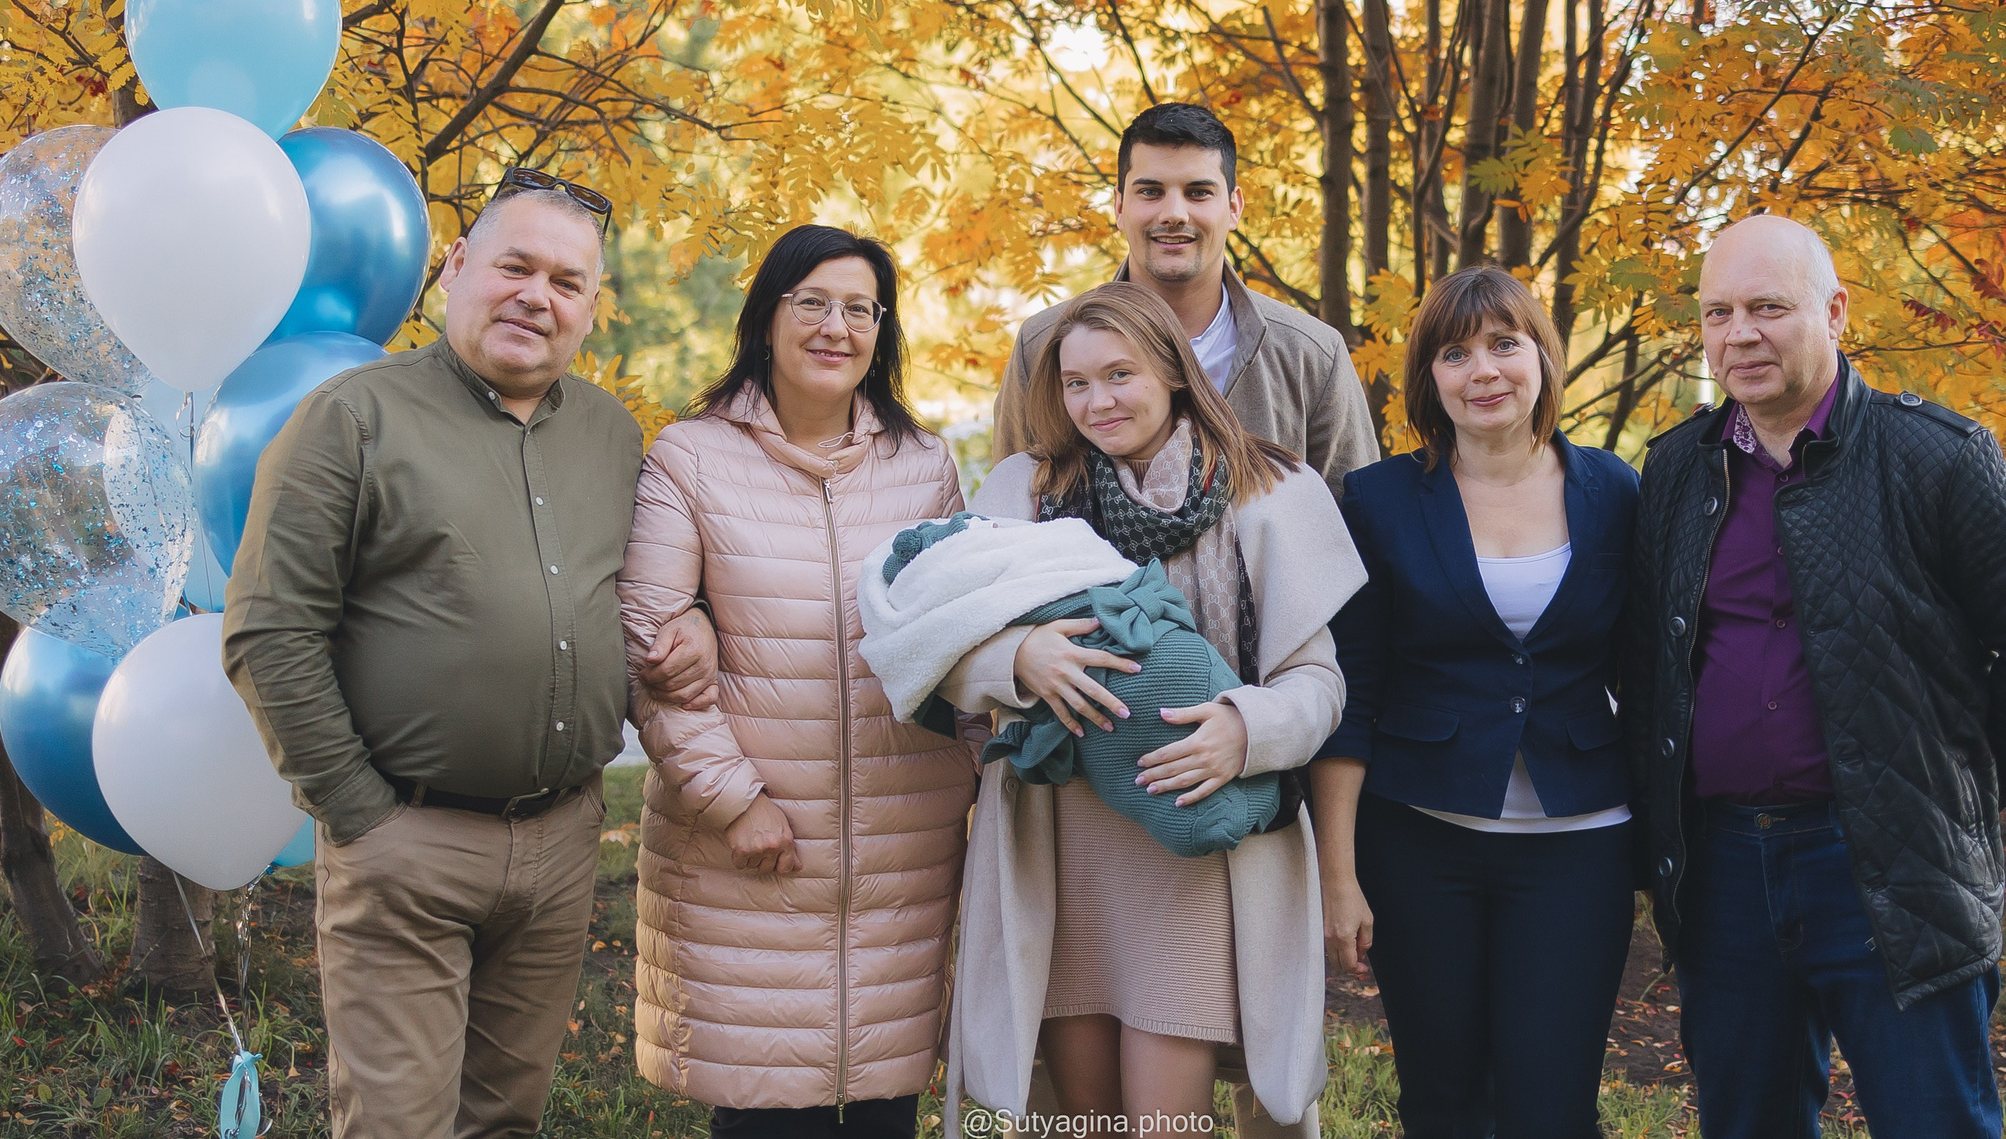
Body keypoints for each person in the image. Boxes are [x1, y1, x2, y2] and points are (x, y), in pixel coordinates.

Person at [224, 169, 707, 1139]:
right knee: (397, 1125)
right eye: (514, 266)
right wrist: (359, 815)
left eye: (567, 282)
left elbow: (650, 588)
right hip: (404, 841)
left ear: (590, 311)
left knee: (504, 1121)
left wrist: (688, 618)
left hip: (564, 843)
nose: (537, 295)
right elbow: (269, 630)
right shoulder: (351, 419)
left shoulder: (613, 436)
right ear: (455, 270)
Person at [1622, 214, 2006, 1139]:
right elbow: (1649, 670)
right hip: (1722, 872)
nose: (1740, 334)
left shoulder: (1938, 457)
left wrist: (1955, 779)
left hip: (1887, 863)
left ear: (1835, 311)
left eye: (1769, 307)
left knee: (1935, 1122)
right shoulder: (1678, 470)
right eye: (1718, 313)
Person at [940, 281, 1364, 1128]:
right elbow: (942, 644)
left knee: (1164, 1117)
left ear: (1173, 369)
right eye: (1075, 382)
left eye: (1119, 374)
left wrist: (1244, 730)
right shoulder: (1026, 490)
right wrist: (1018, 656)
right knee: (1083, 1113)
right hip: (1057, 842)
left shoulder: (1269, 487)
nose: (1096, 401)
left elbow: (1320, 686)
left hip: (1194, 837)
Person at [619, 224, 971, 1133]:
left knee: (887, 1107)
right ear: (767, 317)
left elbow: (961, 632)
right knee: (769, 1111)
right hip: (751, 855)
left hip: (905, 854)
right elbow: (651, 652)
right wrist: (735, 802)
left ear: (881, 331)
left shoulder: (925, 466)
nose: (835, 325)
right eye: (811, 300)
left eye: (859, 308)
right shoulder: (689, 458)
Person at [1312, 266, 1638, 1137]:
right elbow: (1352, 695)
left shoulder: (1617, 492)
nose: (1483, 370)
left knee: (1552, 1107)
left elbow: (1650, 677)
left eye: (1504, 343)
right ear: (1430, 380)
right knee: (1443, 1102)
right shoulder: (1378, 500)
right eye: (1455, 353)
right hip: (1420, 843)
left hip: (1580, 848)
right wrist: (1339, 877)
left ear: (1541, 356)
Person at [992, 102, 1378, 492]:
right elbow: (1012, 516)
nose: (1174, 213)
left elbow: (1354, 528)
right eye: (1151, 192)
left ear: (1232, 208)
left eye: (1197, 192)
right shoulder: (1042, 345)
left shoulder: (1310, 355)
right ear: (1120, 207)